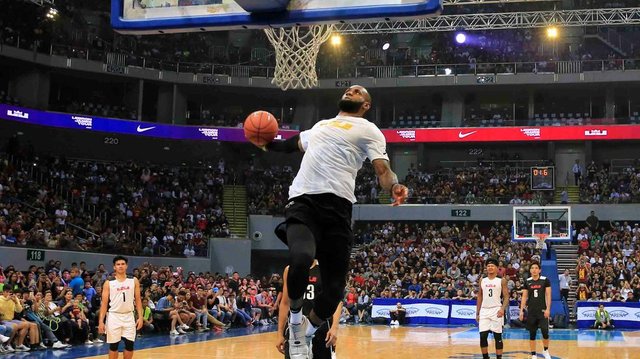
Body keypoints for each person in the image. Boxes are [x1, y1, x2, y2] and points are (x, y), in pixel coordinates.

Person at [257, 85, 408, 359]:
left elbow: (382, 170)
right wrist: (265, 142)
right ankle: (294, 325)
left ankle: (308, 329)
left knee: (335, 289)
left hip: (338, 208)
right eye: (350, 89)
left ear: (365, 105)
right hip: (304, 201)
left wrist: (394, 186)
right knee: (301, 259)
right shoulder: (321, 126)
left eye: (358, 91)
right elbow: (290, 145)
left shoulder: (368, 129)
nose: (351, 90)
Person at [276, 260, 341, 359]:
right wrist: (280, 333)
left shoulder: (325, 268)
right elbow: (285, 303)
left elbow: (335, 300)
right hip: (295, 330)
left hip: (321, 328)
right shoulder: (289, 270)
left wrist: (334, 327)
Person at [98, 256, 143, 359]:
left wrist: (140, 317)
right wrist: (101, 321)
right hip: (114, 316)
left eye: (123, 264)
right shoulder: (109, 282)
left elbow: (138, 300)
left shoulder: (134, 280)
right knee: (114, 345)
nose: (120, 266)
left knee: (130, 344)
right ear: (114, 267)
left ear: (126, 266)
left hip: (129, 315)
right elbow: (104, 304)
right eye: (118, 264)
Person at [476, 258, 509, 359]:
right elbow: (480, 296)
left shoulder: (501, 280)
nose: (490, 267)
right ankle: (485, 357)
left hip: (496, 310)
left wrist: (502, 309)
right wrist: (477, 313)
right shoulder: (482, 280)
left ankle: (499, 357)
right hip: (484, 310)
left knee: (497, 336)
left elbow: (506, 297)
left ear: (496, 268)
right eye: (488, 266)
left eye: (492, 266)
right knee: (483, 336)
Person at [519, 262, 552, 359]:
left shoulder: (545, 280)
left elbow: (548, 295)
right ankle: (533, 354)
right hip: (532, 312)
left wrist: (548, 309)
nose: (534, 270)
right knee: (532, 334)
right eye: (532, 268)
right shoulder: (527, 281)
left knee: (545, 332)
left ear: (539, 270)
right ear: (530, 270)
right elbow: (524, 297)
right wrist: (521, 311)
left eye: (536, 268)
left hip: (542, 311)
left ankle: (545, 350)